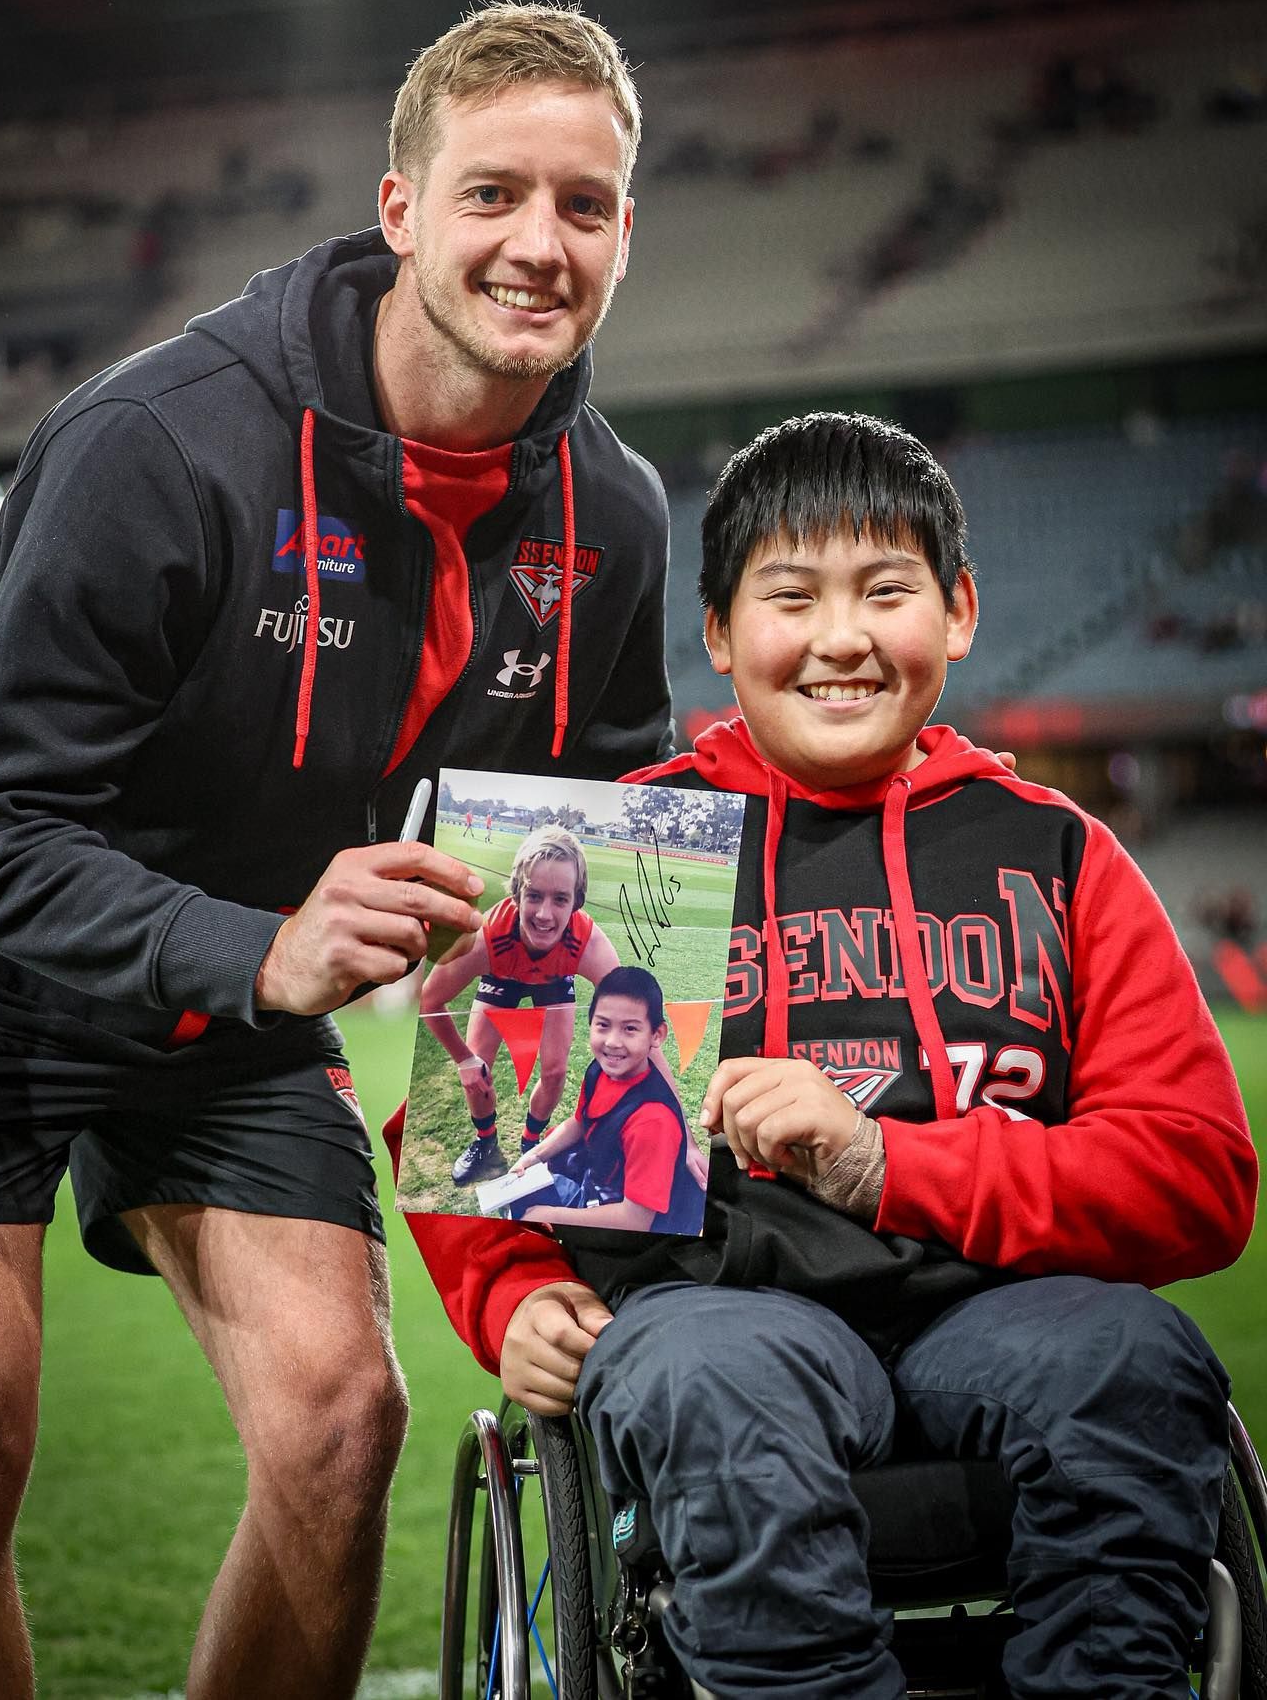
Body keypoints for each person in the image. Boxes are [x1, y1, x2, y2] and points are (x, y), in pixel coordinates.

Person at [0, 0, 673, 1699]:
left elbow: (597, 882)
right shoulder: (163, 443)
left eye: (583, 205)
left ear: (626, 232)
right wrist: (272, 949)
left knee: (343, 1422)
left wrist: (552, 1254)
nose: (538, 243)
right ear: (401, 208)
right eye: (493, 193)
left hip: (228, 985)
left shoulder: (616, 513)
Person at [393, 412, 1258, 1699]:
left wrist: (877, 1162)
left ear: (959, 612)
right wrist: (512, 1293)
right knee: (702, 1371)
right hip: (723, 1310)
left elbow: (1196, 1175)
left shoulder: (1058, 851)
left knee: (1132, 1357)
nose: (842, 640)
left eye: (888, 591)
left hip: (1000, 1305)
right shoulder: (633, 846)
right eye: (790, 597)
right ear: (721, 634)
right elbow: (463, 1131)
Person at [423, 823, 624, 1183]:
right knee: (477, 1071)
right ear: (517, 893)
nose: (545, 915)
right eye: (534, 896)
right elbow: (431, 1000)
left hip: (553, 978)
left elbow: (633, 1010)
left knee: (555, 1071)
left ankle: (530, 1144)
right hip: (503, 972)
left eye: (560, 899)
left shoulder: (587, 943)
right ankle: (485, 1141)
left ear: (576, 901)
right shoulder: (485, 938)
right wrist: (464, 1060)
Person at [505, 964, 703, 1235]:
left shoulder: (653, 1121)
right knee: (517, 1199)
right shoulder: (600, 1072)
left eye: (630, 1029)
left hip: (625, 1226)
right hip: (598, 1187)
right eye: (603, 1025)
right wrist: (534, 1156)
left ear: (656, 1035)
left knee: (527, 1215)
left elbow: (635, 1221)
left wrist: (548, 1214)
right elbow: (580, 1122)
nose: (612, 1042)